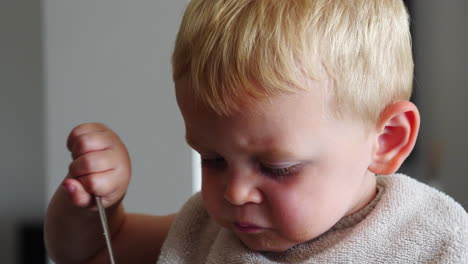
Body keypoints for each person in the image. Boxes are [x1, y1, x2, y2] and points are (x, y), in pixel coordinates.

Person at [44, 0, 468, 263]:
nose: (235, 192)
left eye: (276, 167)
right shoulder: (209, 233)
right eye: (213, 160)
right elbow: (95, 251)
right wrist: (96, 206)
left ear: (386, 140)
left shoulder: (431, 242)